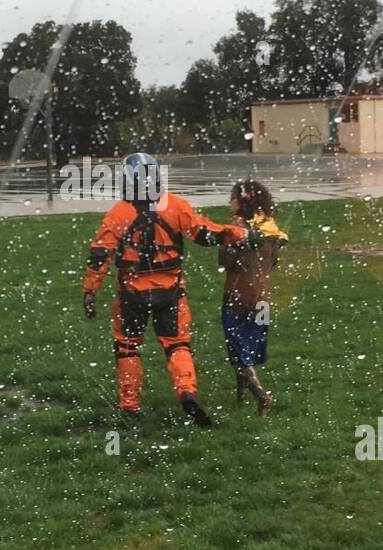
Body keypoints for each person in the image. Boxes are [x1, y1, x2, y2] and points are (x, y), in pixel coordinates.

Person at [83, 152, 260, 427]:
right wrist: (242, 234)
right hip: (170, 292)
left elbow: (100, 252)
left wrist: (90, 290)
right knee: (178, 345)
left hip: (132, 294)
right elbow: (207, 233)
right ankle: (187, 391)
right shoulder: (175, 205)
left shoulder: (119, 212)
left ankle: (129, 407)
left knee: (128, 348)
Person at [219, 179, 287, 418]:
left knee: (238, 353)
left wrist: (229, 237)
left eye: (233, 198)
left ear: (244, 202)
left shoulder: (238, 230)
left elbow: (226, 262)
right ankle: (240, 396)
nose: (230, 202)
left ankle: (261, 396)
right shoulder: (272, 230)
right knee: (245, 350)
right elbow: (274, 262)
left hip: (237, 297)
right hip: (263, 299)